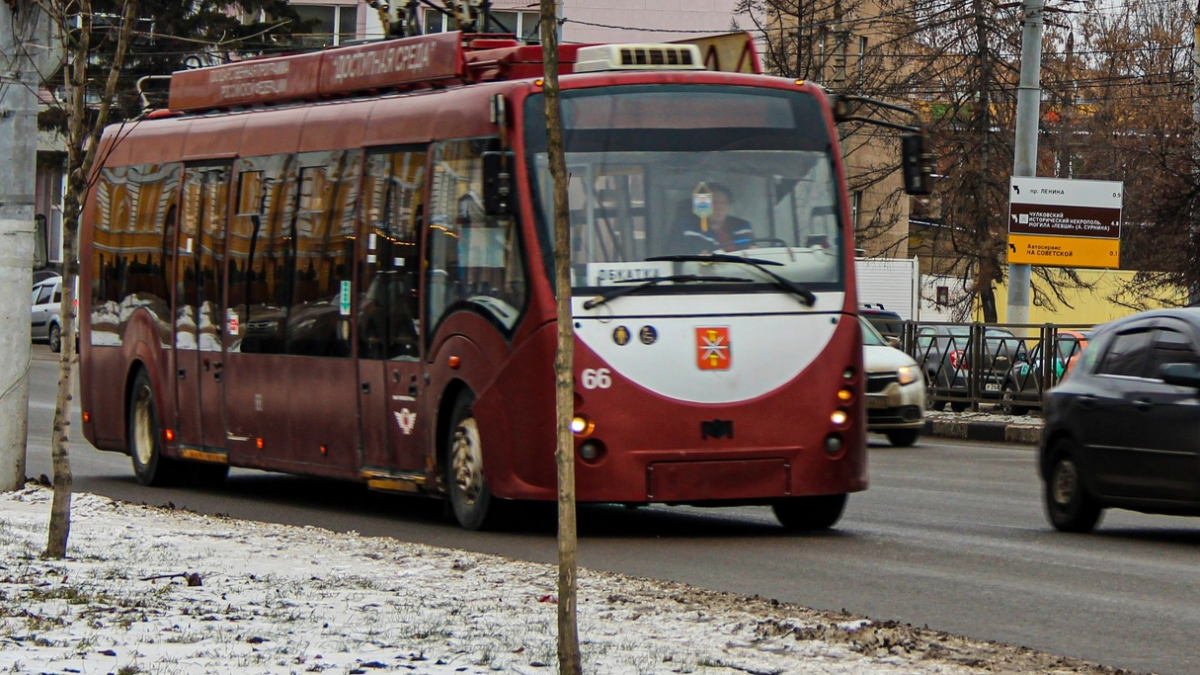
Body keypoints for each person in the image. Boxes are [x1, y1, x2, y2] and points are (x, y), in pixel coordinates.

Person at [677, 183, 754, 253]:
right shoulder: (690, 228)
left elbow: (750, 250)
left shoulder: (742, 227)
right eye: (714, 203)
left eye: (724, 203)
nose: (719, 208)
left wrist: (753, 250)